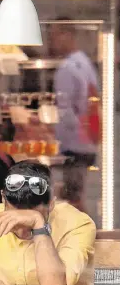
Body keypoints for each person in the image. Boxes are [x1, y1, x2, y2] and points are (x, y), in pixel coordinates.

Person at [49, 18, 100, 213]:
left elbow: (65, 111)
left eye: (53, 36)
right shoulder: (86, 64)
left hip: (73, 145)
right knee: (75, 196)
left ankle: (81, 237)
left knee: (72, 201)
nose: (51, 42)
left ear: (66, 35)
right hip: (86, 142)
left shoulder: (68, 68)